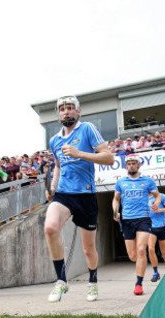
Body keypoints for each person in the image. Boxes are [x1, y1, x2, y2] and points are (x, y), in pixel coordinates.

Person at [44, 95, 114, 303]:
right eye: (62, 109)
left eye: (70, 108)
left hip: (86, 195)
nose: (66, 111)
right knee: (50, 228)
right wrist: (53, 187)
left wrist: (79, 153)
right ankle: (61, 280)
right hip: (64, 194)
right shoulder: (54, 140)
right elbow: (57, 165)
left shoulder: (87, 129)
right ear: (58, 114)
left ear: (78, 111)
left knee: (88, 249)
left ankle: (92, 281)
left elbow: (108, 157)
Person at [112, 154, 161, 295]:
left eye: (134, 163)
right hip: (127, 220)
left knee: (141, 251)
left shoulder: (147, 181)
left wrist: (156, 205)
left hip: (143, 219)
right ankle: (139, 269)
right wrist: (116, 212)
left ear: (139, 165)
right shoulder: (121, 182)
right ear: (126, 166)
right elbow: (115, 200)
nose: (131, 165)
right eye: (129, 164)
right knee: (133, 256)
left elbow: (157, 196)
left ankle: (138, 284)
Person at [146, 190, 165, 282]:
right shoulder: (142, 199)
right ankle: (155, 272)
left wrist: (159, 210)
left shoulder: (161, 196)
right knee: (150, 249)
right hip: (150, 227)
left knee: (163, 250)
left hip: (162, 226)